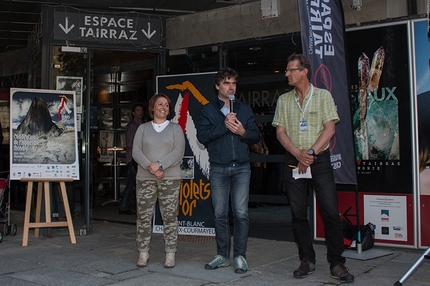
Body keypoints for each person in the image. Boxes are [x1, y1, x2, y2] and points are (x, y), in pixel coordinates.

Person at [272, 54, 354, 283]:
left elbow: (329, 130)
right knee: (298, 214)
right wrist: (297, 153)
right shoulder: (284, 100)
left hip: (318, 161)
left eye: (291, 70)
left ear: (304, 71)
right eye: (287, 70)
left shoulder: (323, 96)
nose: (287, 74)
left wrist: (310, 154)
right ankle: (306, 259)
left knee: (330, 212)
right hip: (293, 161)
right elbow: (280, 132)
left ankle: (337, 263)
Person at [197, 67, 259, 274]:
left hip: (241, 167)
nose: (231, 86)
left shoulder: (244, 108)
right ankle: (222, 255)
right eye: (226, 83)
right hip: (219, 168)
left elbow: (255, 136)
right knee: (220, 215)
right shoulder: (207, 110)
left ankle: (240, 256)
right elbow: (202, 137)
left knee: (241, 214)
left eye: (233, 83)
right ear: (217, 86)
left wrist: (242, 131)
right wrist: (224, 125)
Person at [132, 93, 185, 268]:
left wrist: (160, 165)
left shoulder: (175, 129)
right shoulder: (143, 128)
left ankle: (170, 253)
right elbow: (136, 152)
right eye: (160, 104)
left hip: (169, 178)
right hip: (145, 178)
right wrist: (151, 167)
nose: (163, 107)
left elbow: (178, 151)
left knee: (169, 216)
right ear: (152, 107)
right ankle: (143, 252)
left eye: (167, 105)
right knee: (144, 216)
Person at [119, 104, 146, 215]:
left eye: (141, 110)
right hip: (133, 159)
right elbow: (130, 144)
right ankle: (124, 206)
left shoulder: (142, 125)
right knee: (132, 183)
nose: (140, 112)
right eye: (138, 110)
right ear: (133, 113)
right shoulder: (132, 126)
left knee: (133, 183)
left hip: (137, 159)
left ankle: (125, 206)